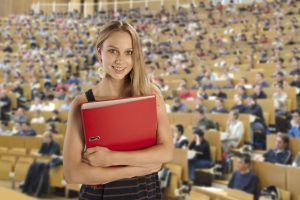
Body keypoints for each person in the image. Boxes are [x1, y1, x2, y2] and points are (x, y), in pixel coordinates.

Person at [63, 21, 173, 200]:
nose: (120, 60)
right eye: (113, 51)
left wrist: (112, 158)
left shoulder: (150, 94)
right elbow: (73, 173)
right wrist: (135, 169)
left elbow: (165, 152)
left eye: (128, 52)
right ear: (100, 52)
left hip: (146, 194)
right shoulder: (82, 103)